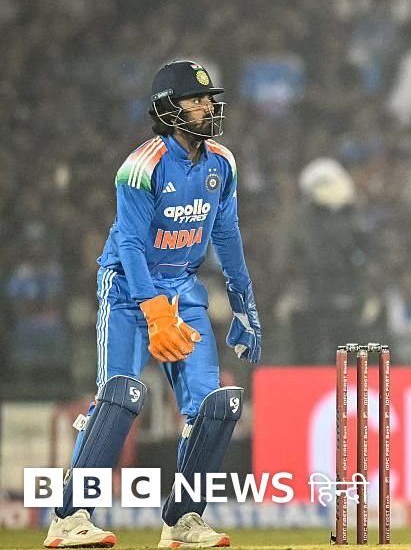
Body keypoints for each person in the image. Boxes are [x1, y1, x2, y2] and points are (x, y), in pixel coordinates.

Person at [44, 60, 262, 549]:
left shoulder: (222, 163)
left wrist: (243, 302)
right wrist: (153, 309)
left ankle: (183, 521)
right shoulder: (141, 165)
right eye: (196, 100)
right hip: (127, 288)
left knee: (218, 406)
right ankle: (69, 517)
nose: (208, 107)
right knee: (120, 396)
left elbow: (227, 233)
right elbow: (129, 244)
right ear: (168, 109)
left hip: (183, 287)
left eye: (209, 99)